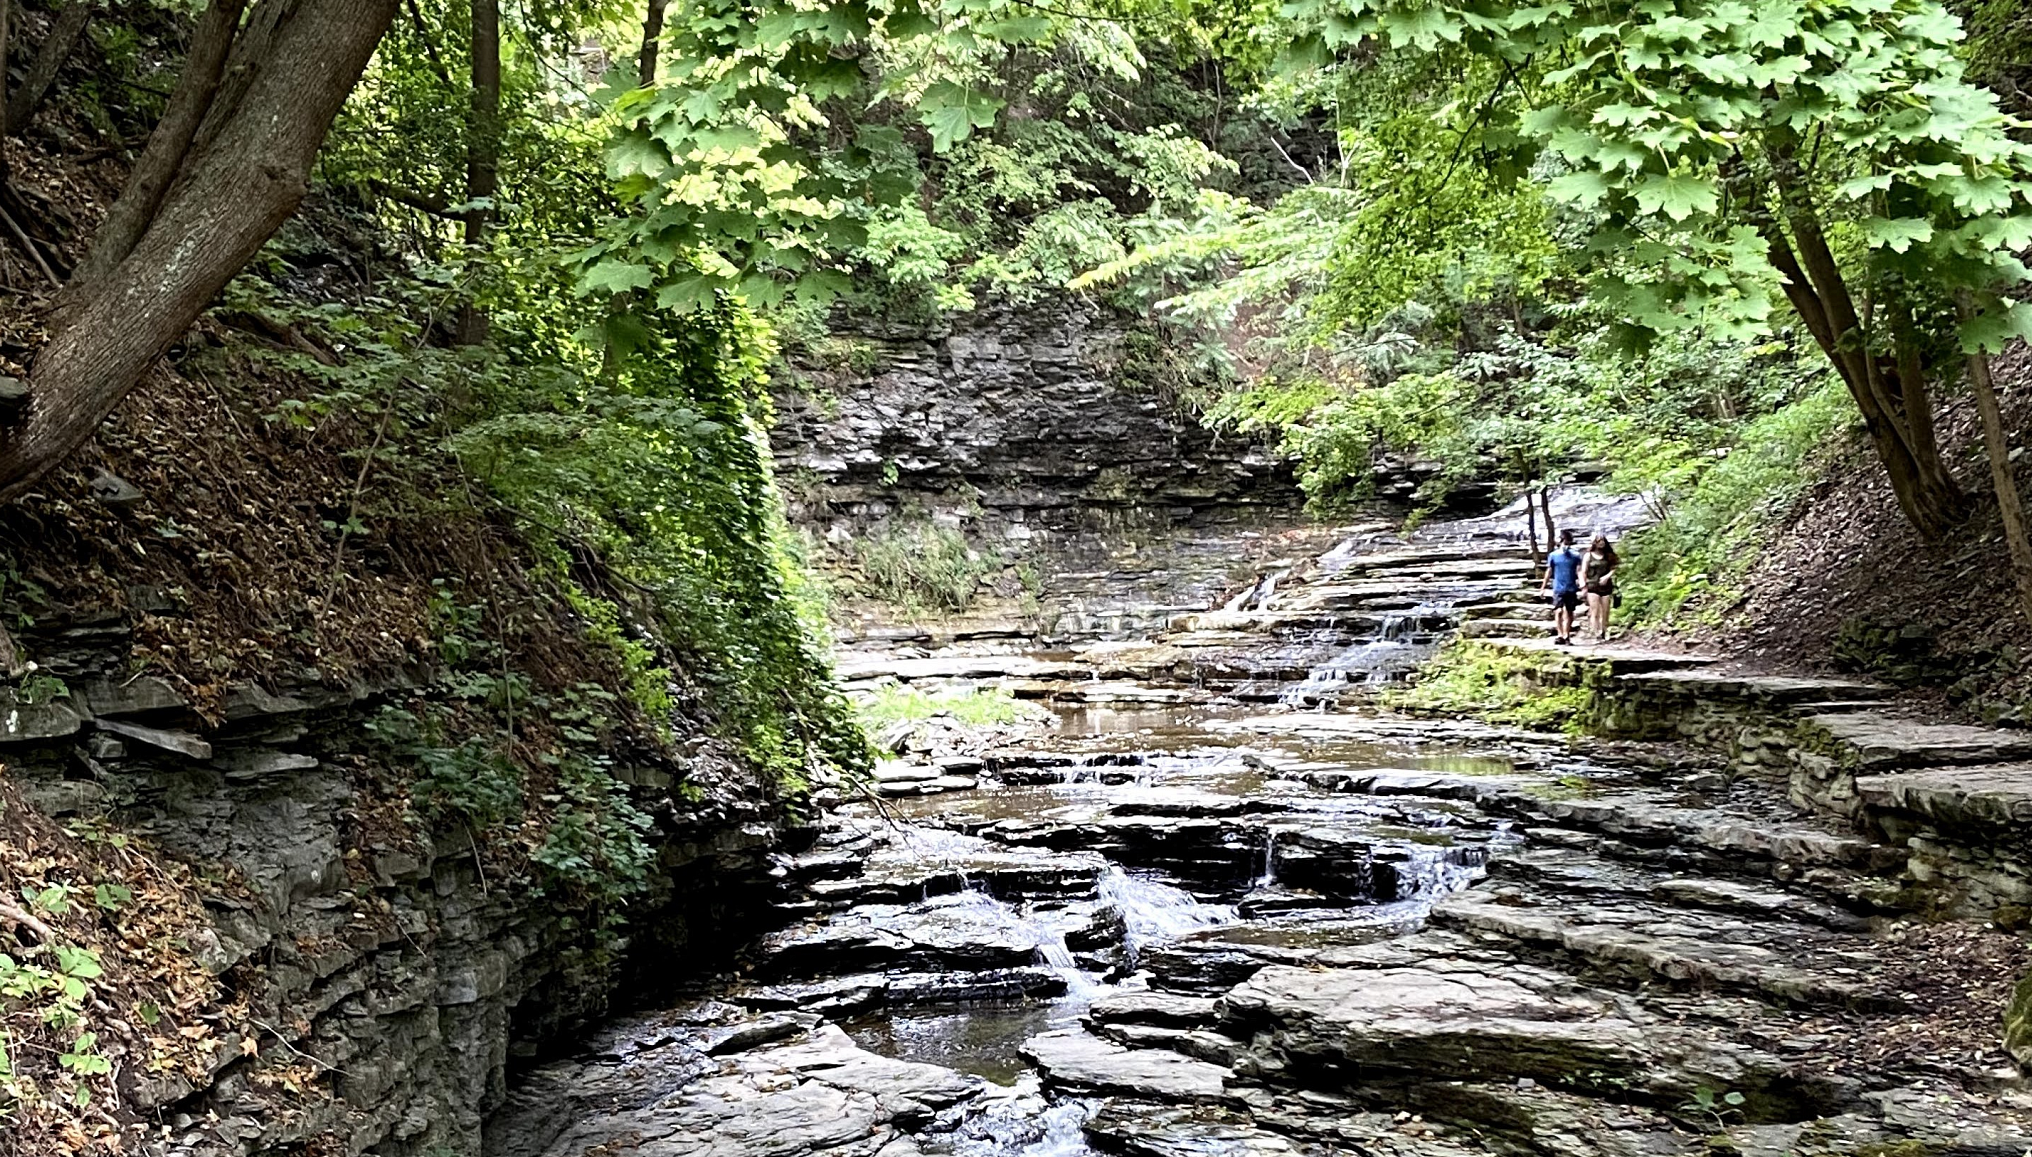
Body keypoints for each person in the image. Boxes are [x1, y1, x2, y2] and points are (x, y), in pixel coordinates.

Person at [1540, 529, 1584, 645]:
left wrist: (1582, 583)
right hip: (1558, 587)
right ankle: (1560, 634)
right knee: (1558, 610)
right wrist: (1543, 587)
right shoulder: (1553, 555)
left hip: (1571, 587)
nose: (1566, 543)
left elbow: (1579, 570)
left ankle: (1566, 634)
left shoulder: (1575, 555)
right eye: (1564, 540)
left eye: (1568, 541)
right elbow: (1549, 571)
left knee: (1569, 611)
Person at [1582, 535, 1619, 643]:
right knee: (1595, 610)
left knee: (1606, 611)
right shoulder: (1588, 556)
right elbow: (1583, 571)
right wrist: (1583, 585)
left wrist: (1607, 577)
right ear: (1595, 543)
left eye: (1602, 541)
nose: (1601, 543)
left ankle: (1604, 630)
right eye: (1598, 541)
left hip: (1606, 586)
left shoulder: (1608, 555)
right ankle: (1596, 632)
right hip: (1592, 585)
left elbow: (1614, 568)